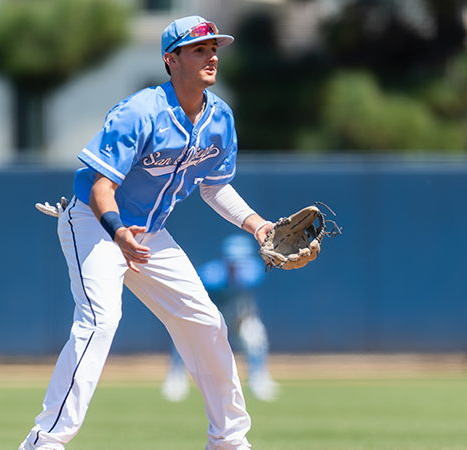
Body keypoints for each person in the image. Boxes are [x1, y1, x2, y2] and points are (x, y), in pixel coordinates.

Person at [19, 15, 276, 450]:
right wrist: (118, 232)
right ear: (170, 60)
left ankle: (230, 441)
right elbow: (101, 185)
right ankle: (44, 441)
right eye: (199, 49)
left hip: (150, 234)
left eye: (214, 48)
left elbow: (214, 186)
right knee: (101, 320)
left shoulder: (220, 118)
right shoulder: (140, 112)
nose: (212, 55)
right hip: (96, 223)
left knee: (206, 323)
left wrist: (257, 224)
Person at [162, 234, 279, 402]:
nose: (235, 265)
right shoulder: (211, 274)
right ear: (225, 258)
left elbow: (246, 288)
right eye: (232, 260)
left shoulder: (253, 270)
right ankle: (175, 379)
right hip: (211, 317)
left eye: (239, 261)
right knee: (185, 338)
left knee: (255, 337)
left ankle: (259, 380)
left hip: (240, 317)